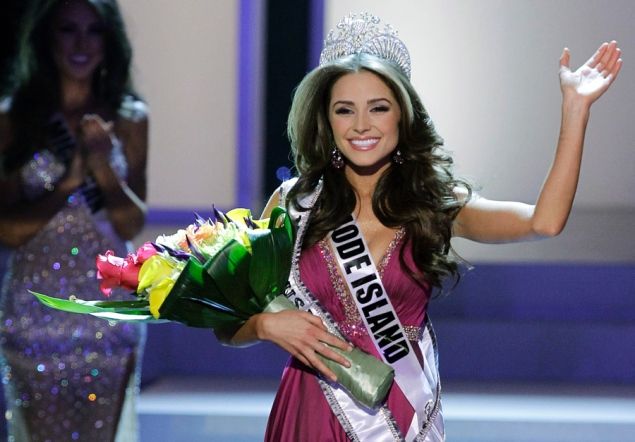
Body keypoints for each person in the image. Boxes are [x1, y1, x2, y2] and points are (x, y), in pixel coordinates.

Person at [220, 12, 623, 442]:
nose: (361, 125)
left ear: (403, 116)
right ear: (326, 119)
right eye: (344, 110)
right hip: (310, 410)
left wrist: (575, 111)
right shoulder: (293, 205)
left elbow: (545, 221)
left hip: (398, 416)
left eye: (378, 108)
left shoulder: (434, 204)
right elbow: (228, 323)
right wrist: (265, 325)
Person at [0, 0, 148, 440]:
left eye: (94, 31)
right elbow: (7, 229)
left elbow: (129, 225)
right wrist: (67, 182)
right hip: (33, 313)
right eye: (69, 30)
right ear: (48, 38)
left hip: (106, 314)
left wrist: (102, 169)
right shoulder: (13, 119)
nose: (82, 44)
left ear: (109, 41)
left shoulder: (129, 118)